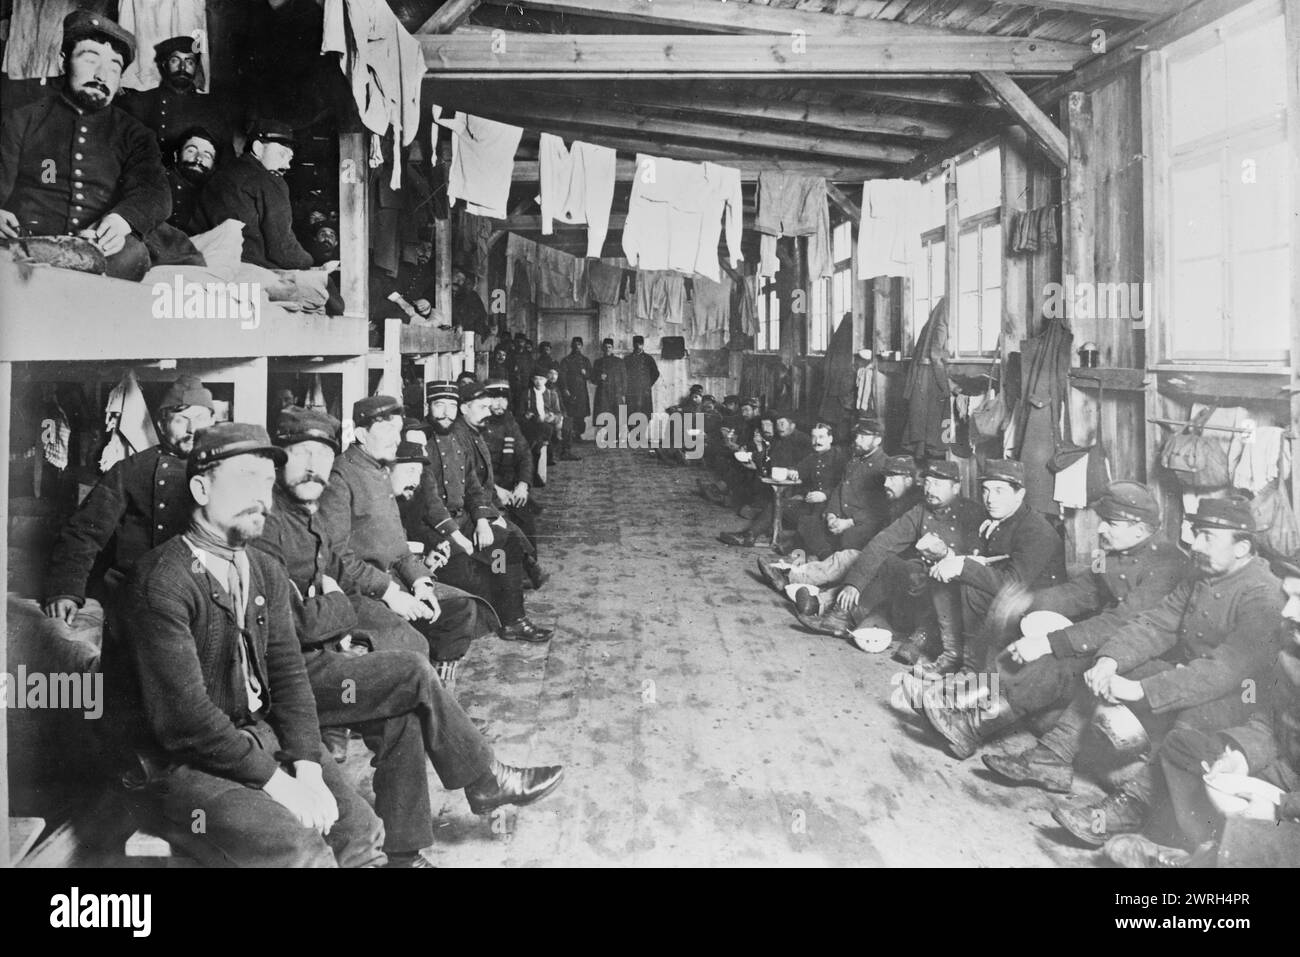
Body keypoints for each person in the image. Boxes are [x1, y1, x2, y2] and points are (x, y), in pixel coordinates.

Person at [255, 408, 564, 866]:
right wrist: (341, 608)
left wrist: (397, 583)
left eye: (322, 454)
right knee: (414, 669)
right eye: (301, 454)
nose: (315, 466)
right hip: (289, 680)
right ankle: (485, 777)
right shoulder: (266, 525)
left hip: (321, 657)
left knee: (403, 718)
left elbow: (338, 567)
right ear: (279, 460)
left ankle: (405, 854)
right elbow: (292, 624)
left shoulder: (309, 514)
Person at [107, 423, 386, 867]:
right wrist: (280, 784)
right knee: (300, 848)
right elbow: (187, 721)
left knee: (360, 831)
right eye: (245, 479)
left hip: (254, 742)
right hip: (174, 768)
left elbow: (290, 679)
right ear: (200, 488)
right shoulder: (159, 581)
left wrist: (309, 767)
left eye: (268, 483)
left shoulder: (263, 570)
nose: (263, 496)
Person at [983, 499, 1282, 849]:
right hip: (1187, 673)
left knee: (1193, 717)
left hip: (1238, 697)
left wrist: (1142, 691)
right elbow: (1156, 623)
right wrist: (1110, 661)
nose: (1196, 545)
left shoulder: (1263, 594)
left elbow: (1224, 670)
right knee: (1109, 668)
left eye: (1208, 537)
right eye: (1197, 534)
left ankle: (1129, 807)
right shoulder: (1205, 572)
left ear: (1242, 547)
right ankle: (1051, 757)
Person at [921, 480, 1187, 759]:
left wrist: (1049, 643)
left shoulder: (1168, 567)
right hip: (1109, 634)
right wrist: (1026, 603)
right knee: (1019, 634)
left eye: (1110, 523)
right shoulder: (1111, 553)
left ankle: (970, 728)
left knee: (1055, 660)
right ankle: (960, 703)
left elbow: (1121, 623)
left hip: (1136, 654)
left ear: (1139, 530)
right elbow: (1083, 589)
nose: (1099, 529)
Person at [1106, 551, 1300, 868]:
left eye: (1299, 598)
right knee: (1184, 748)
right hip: (1286, 776)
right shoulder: (1292, 654)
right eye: (1287, 596)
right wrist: (1239, 755)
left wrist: (1280, 810)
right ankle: (1197, 850)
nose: (1289, 611)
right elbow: (1270, 723)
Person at [316, 395, 495, 668]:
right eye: (386, 431)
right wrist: (391, 593)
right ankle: (420, 692)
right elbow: (335, 558)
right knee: (413, 644)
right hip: (359, 592)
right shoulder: (341, 478)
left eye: (397, 431)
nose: (396, 440)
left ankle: (436, 687)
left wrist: (420, 583)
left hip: (395, 581)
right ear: (361, 434)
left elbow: (398, 546)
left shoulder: (380, 470)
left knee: (461, 609)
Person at [0, 11, 170, 281]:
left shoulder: (136, 134)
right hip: (29, 239)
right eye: (90, 58)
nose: (102, 74)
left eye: (114, 66)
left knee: (133, 255)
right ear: (63, 61)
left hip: (99, 247)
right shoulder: (24, 119)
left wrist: (121, 220)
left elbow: (154, 191)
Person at [43, 375, 214, 623]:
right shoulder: (131, 469)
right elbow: (84, 532)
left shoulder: (226, 468)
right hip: (137, 594)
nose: (192, 429)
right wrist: (64, 591)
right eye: (182, 419)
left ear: (213, 420)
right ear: (162, 423)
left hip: (204, 593)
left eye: (200, 418)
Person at [771, 459, 981, 648]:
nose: (930, 489)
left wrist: (947, 553)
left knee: (884, 567)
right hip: (914, 584)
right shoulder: (921, 511)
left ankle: (831, 608)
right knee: (882, 560)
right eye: (927, 482)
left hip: (946, 597)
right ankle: (838, 613)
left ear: (956, 487)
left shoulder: (973, 513)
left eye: (938, 484)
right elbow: (884, 541)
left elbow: (980, 564)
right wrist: (854, 584)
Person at [408, 382, 553, 644]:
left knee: (505, 543)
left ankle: (513, 622)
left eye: (451, 406)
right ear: (428, 407)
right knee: (473, 576)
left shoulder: (456, 439)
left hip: (462, 519)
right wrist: (456, 535)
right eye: (439, 405)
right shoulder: (421, 442)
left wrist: (482, 521)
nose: (446, 413)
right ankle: (497, 609)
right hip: (432, 529)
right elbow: (430, 501)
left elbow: (474, 487)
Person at [917, 458, 1065, 677]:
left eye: (999, 491)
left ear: (1020, 494)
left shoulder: (1035, 530)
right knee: (944, 574)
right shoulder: (999, 520)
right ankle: (953, 656)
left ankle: (972, 671)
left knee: (971, 586)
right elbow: (990, 562)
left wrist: (964, 567)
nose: (990, 499)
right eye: (986, 490)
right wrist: (952, 559)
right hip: (1008, 601)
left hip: (1036, 607)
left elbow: (1013, 583)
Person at [191, 119, 314, 270]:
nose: (287, 165)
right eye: (282, 154)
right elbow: (282, 251)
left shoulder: (217, 176)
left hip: (206, 266)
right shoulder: (269, 180)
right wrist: (310, 261)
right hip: (251, 272)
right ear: (258, 148)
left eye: (290, 158)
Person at [479, 379, 548, 588]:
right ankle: (504, 575)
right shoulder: (480, 424)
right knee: (502, 526)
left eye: (503, 399)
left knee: (525, 514)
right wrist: (495, 490)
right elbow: (476, 469)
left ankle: (528, 570)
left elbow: (525, 455)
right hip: (486, 489)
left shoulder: (509, 422)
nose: (499, 403)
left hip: (509, 487)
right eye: (494, 398)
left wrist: (523, 485)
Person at [117, 35, 231, 158]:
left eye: (189, 62)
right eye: (175, 60)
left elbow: (227, 157)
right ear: (165, 65)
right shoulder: (140, 102)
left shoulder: (211, 108)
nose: (182, 68)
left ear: (196, 68)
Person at [795, 417, 890, 559]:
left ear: (877, 441)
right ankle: (827, 557)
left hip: (862, 522)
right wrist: (831, 514)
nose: (857, 440)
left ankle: (827, 560)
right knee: (807, 523)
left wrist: (849, 522)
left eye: (863, 437)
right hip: (841, 517)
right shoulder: (854, 461)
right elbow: (839, 490)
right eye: (857, 436)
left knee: (848, 538)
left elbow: (879, 508)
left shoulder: (884, 465)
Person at [717, 412, 814, 548]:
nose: (779, 427)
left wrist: (795, 478)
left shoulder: (803, 441)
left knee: (776, 503)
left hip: (799, 489)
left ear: (793, 425)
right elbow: (770, 459)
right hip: (782, 483)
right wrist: (755, 462)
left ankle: (750, 534)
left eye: (782, 423)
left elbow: (804, 468)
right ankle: (752, 530)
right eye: (777, 424)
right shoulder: (779, 439)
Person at [164, 125, 218, 232]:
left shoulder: (212, 196)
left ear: (213, 166)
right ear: (176, 155)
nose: (199, 158)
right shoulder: (159, 182)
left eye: (207, 155)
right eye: (191, 151)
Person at [520, 369, 564, 466]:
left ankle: (538, 455)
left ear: (546, 380)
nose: (538, 382)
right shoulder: (526, 394)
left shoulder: (552, 394)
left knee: (546, 429)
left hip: (547, 424)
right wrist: (526, 415)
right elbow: (520, 413)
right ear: (532, 380)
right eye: (536, 379)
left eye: (541, 379)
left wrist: (553, 417)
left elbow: (558, 413)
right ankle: (538, 455)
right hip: (532, 423)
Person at [558, 336, 593, 444]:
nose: (576, 346)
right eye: (575, 344)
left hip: (581, 391)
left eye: (579, 344)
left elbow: (591, 376)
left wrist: (585, 373)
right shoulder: (566, 360)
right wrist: (565, 389)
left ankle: (578, 435)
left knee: (580, 416)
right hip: (570, 390)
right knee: (569, 415)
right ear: (571, 346)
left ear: (581, 346)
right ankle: (568, 437)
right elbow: (562, 376)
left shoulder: (585, 360)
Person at [592, 338, 627, 435]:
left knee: (617, 415)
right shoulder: (598, 362)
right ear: (602, 348)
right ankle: (603, 436)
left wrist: (623, 394)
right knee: (603, 415)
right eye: (605, 347)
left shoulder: (619, 362)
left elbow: (624, 379)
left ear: (612, 348)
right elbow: (593, 379)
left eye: (609, 347)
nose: (607, 349)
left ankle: (615, 436)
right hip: (602, 393)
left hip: (616, 393)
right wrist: (599, 377)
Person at [624, 335, 659, 418]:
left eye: (640, 344)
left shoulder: (648, 358)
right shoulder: (627, 359)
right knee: (631, 416)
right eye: (636, 344)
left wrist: (647, 384)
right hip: (631, 392)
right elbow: (623, 375)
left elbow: (656, 374)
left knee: (644, 415)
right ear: (633, 345)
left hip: (644, 392)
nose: (638, 346)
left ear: (643, 345)